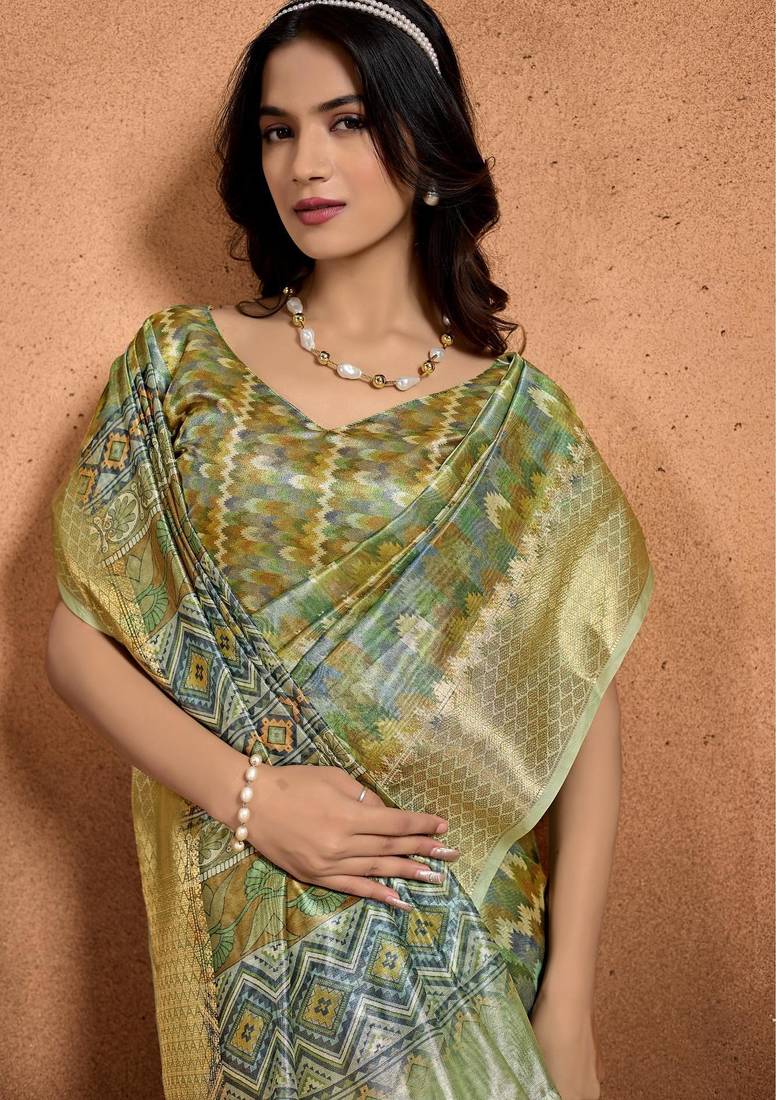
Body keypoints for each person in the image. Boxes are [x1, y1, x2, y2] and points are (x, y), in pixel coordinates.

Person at [45, 2, 654, 1098]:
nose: (305, 163)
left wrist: (567, 1000)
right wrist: (254, 800)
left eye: (348, 121)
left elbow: (580, 704)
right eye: (278, 132)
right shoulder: (181, 368)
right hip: (252, 930)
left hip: (467, 941)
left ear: (427, 142)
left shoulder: (521, 426)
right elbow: (77, 640)